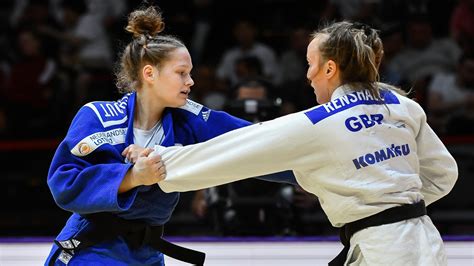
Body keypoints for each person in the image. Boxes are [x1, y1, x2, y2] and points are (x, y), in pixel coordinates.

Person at [152, 21, 458, 265]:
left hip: (383, 251)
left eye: (311, 63)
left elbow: (236, 149)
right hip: (422, 241)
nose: (308, 75)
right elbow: (444, 175)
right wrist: (394, 202)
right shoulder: (402, 106)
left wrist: (158, 163)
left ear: (329, 69)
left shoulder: (318, 122)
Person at [45, 5, 294, 266]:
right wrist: (132, 177)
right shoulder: (97, 115)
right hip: (92, 248)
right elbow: (64, 182)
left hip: (146, 254)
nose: (191, 82)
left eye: (190, 73)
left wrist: (310, 169)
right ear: (150, 73)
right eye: (181, 73)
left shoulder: (189, 120)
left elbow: (255, 144)